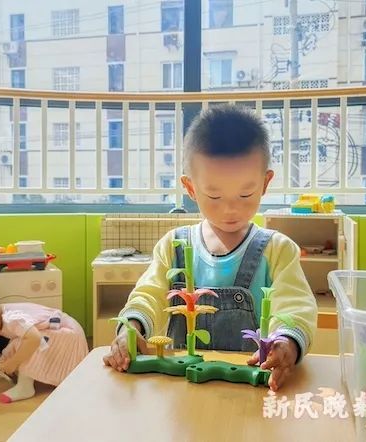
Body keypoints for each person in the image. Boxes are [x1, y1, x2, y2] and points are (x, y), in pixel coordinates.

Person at [103, 104, 317, 391]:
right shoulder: (174, 247)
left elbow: (295, 308)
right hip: (182, 391)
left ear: (265, 183)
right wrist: (131, 329)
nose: (230, 209)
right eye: (214, 196)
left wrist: (287, 342)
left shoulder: (278, 250)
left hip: (251, 390)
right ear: (191, 188)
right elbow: (148, 297)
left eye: (246, 194)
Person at [0, 287, 88, 402]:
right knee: (21, 342)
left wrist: (13, 362)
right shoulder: (3, 314)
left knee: (24, 343)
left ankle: (25, 387)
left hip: (69, 335)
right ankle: (23, 378)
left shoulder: (12, 319)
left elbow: (34, 339)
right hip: (62, 332)